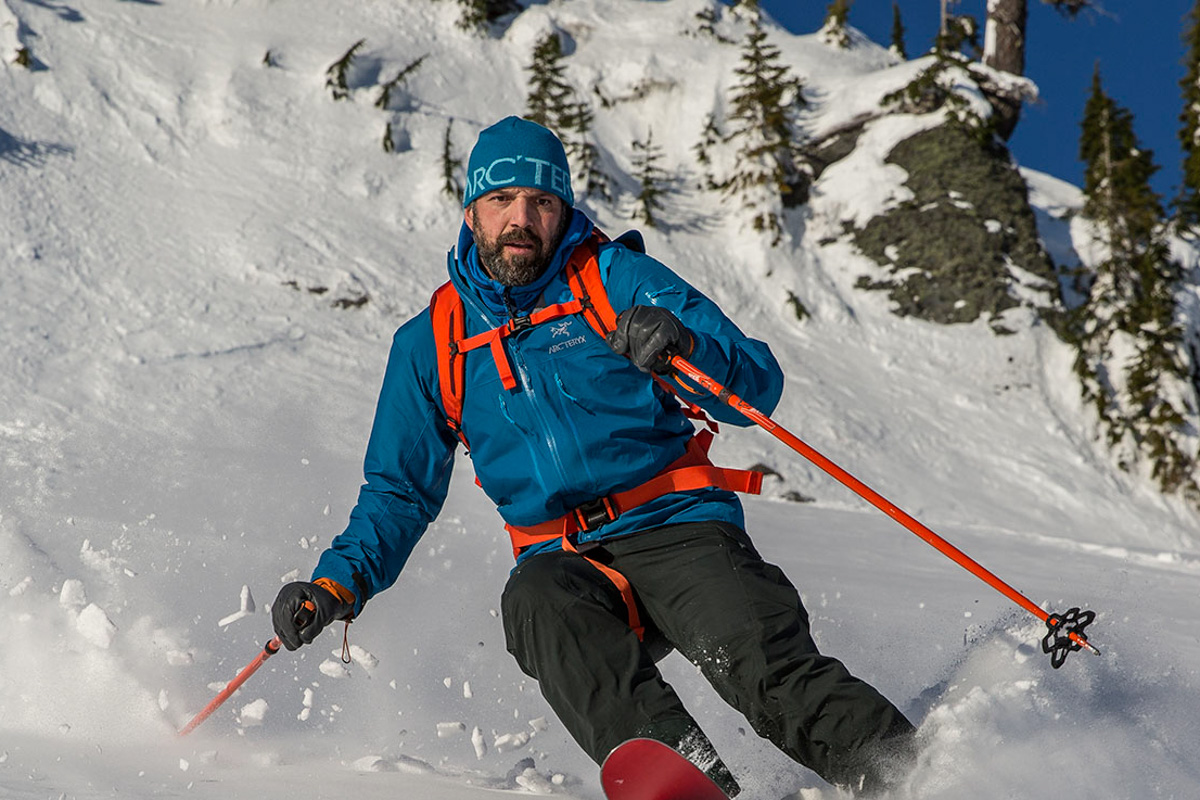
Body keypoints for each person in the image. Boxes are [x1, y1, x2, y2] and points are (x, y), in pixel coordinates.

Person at [272, 116, 916, 797]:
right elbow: (399, 492)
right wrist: (338, 583)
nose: (522, 219)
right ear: (471, 212)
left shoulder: (614, 279)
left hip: (677, 527)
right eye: (503, 200)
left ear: (563, 211)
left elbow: (756, 384)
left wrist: (683, 348)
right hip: (563, 562)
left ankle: (921, 777)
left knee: (759, 664)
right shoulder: (431, 343)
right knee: (534, 601)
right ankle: (684, 782)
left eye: (542, 203)